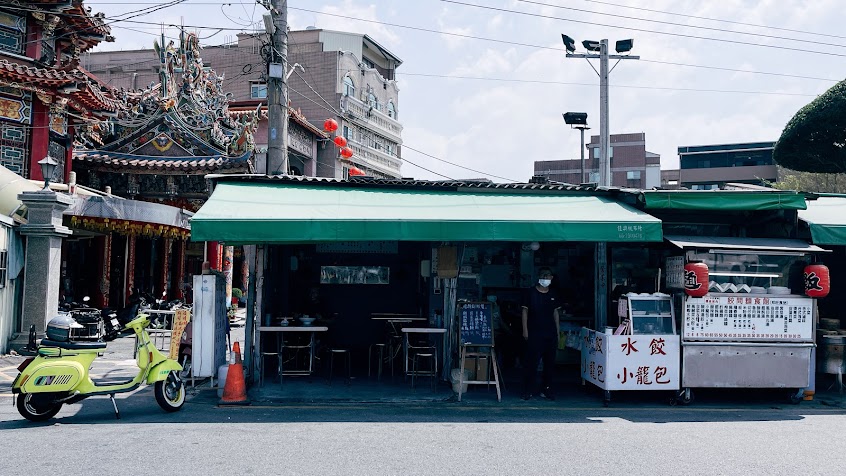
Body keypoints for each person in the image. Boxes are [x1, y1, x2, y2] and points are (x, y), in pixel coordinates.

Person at [521, 267, 561, 400]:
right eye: (543, 275)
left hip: (550, 333)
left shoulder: (553, 293)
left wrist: (558, 331)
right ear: (538, 277)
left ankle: (546, 389)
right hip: (534, 333)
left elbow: (555, 313)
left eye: (548, 276)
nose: (545, 278)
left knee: (549, 364)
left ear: (551, 278)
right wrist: (525, 330)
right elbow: (524, 312)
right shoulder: (530, 293)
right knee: (531, 363)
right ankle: (528, 390)